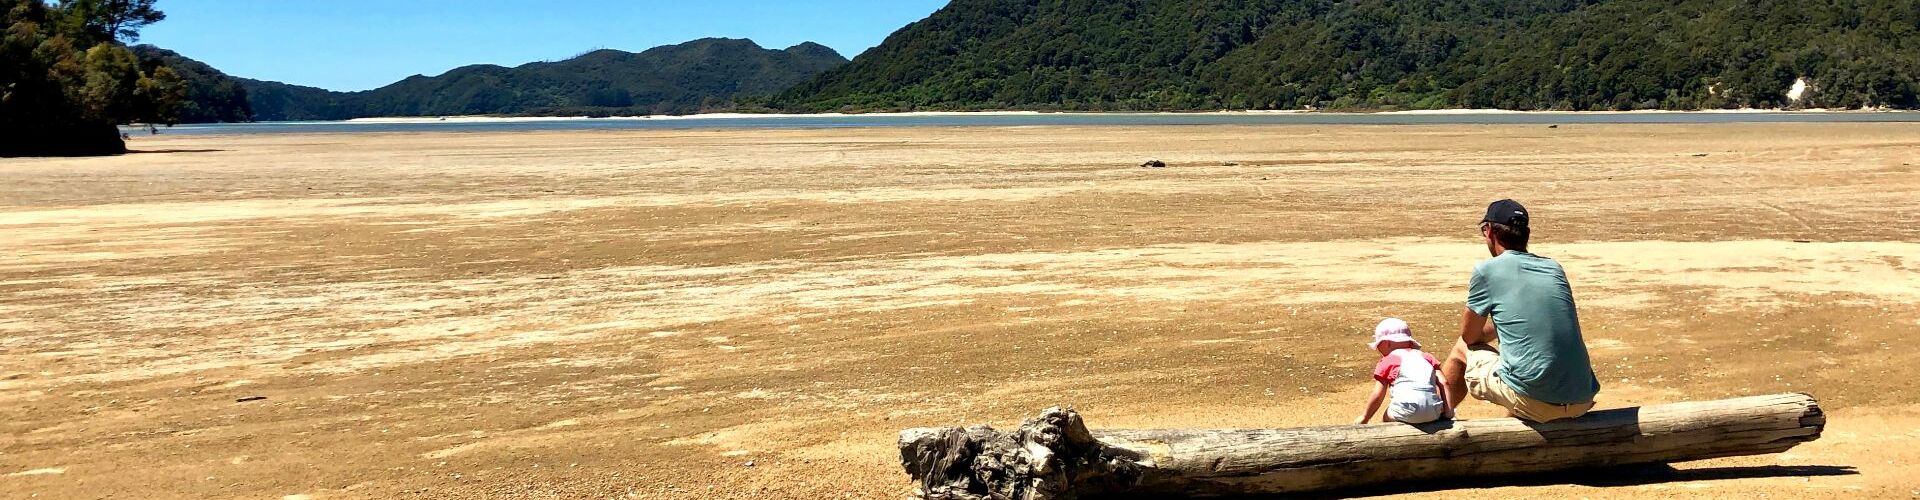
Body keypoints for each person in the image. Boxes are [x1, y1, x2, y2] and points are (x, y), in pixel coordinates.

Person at [1440, 199, 1601, 423]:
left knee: (1461, 350)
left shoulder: (1486, 270)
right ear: (1526, 233)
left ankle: (1435, 419)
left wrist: (1495, 328)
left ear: (1489, 231)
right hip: (1581, 399)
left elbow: (1469, 336)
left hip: (1536, 401)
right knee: (1522, 371)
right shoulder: (1554, 268)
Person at [1355, 318, 1452, 425]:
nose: (1378, 349)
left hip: (1406, 410)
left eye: (1378, 345)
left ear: (1387, 343)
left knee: (1386, 417)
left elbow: (1378, 395)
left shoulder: (1387, 361)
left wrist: (1365, 417)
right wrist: (1449, 412)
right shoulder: (1427, 357)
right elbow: (1444, 382)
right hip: (1434, 410)